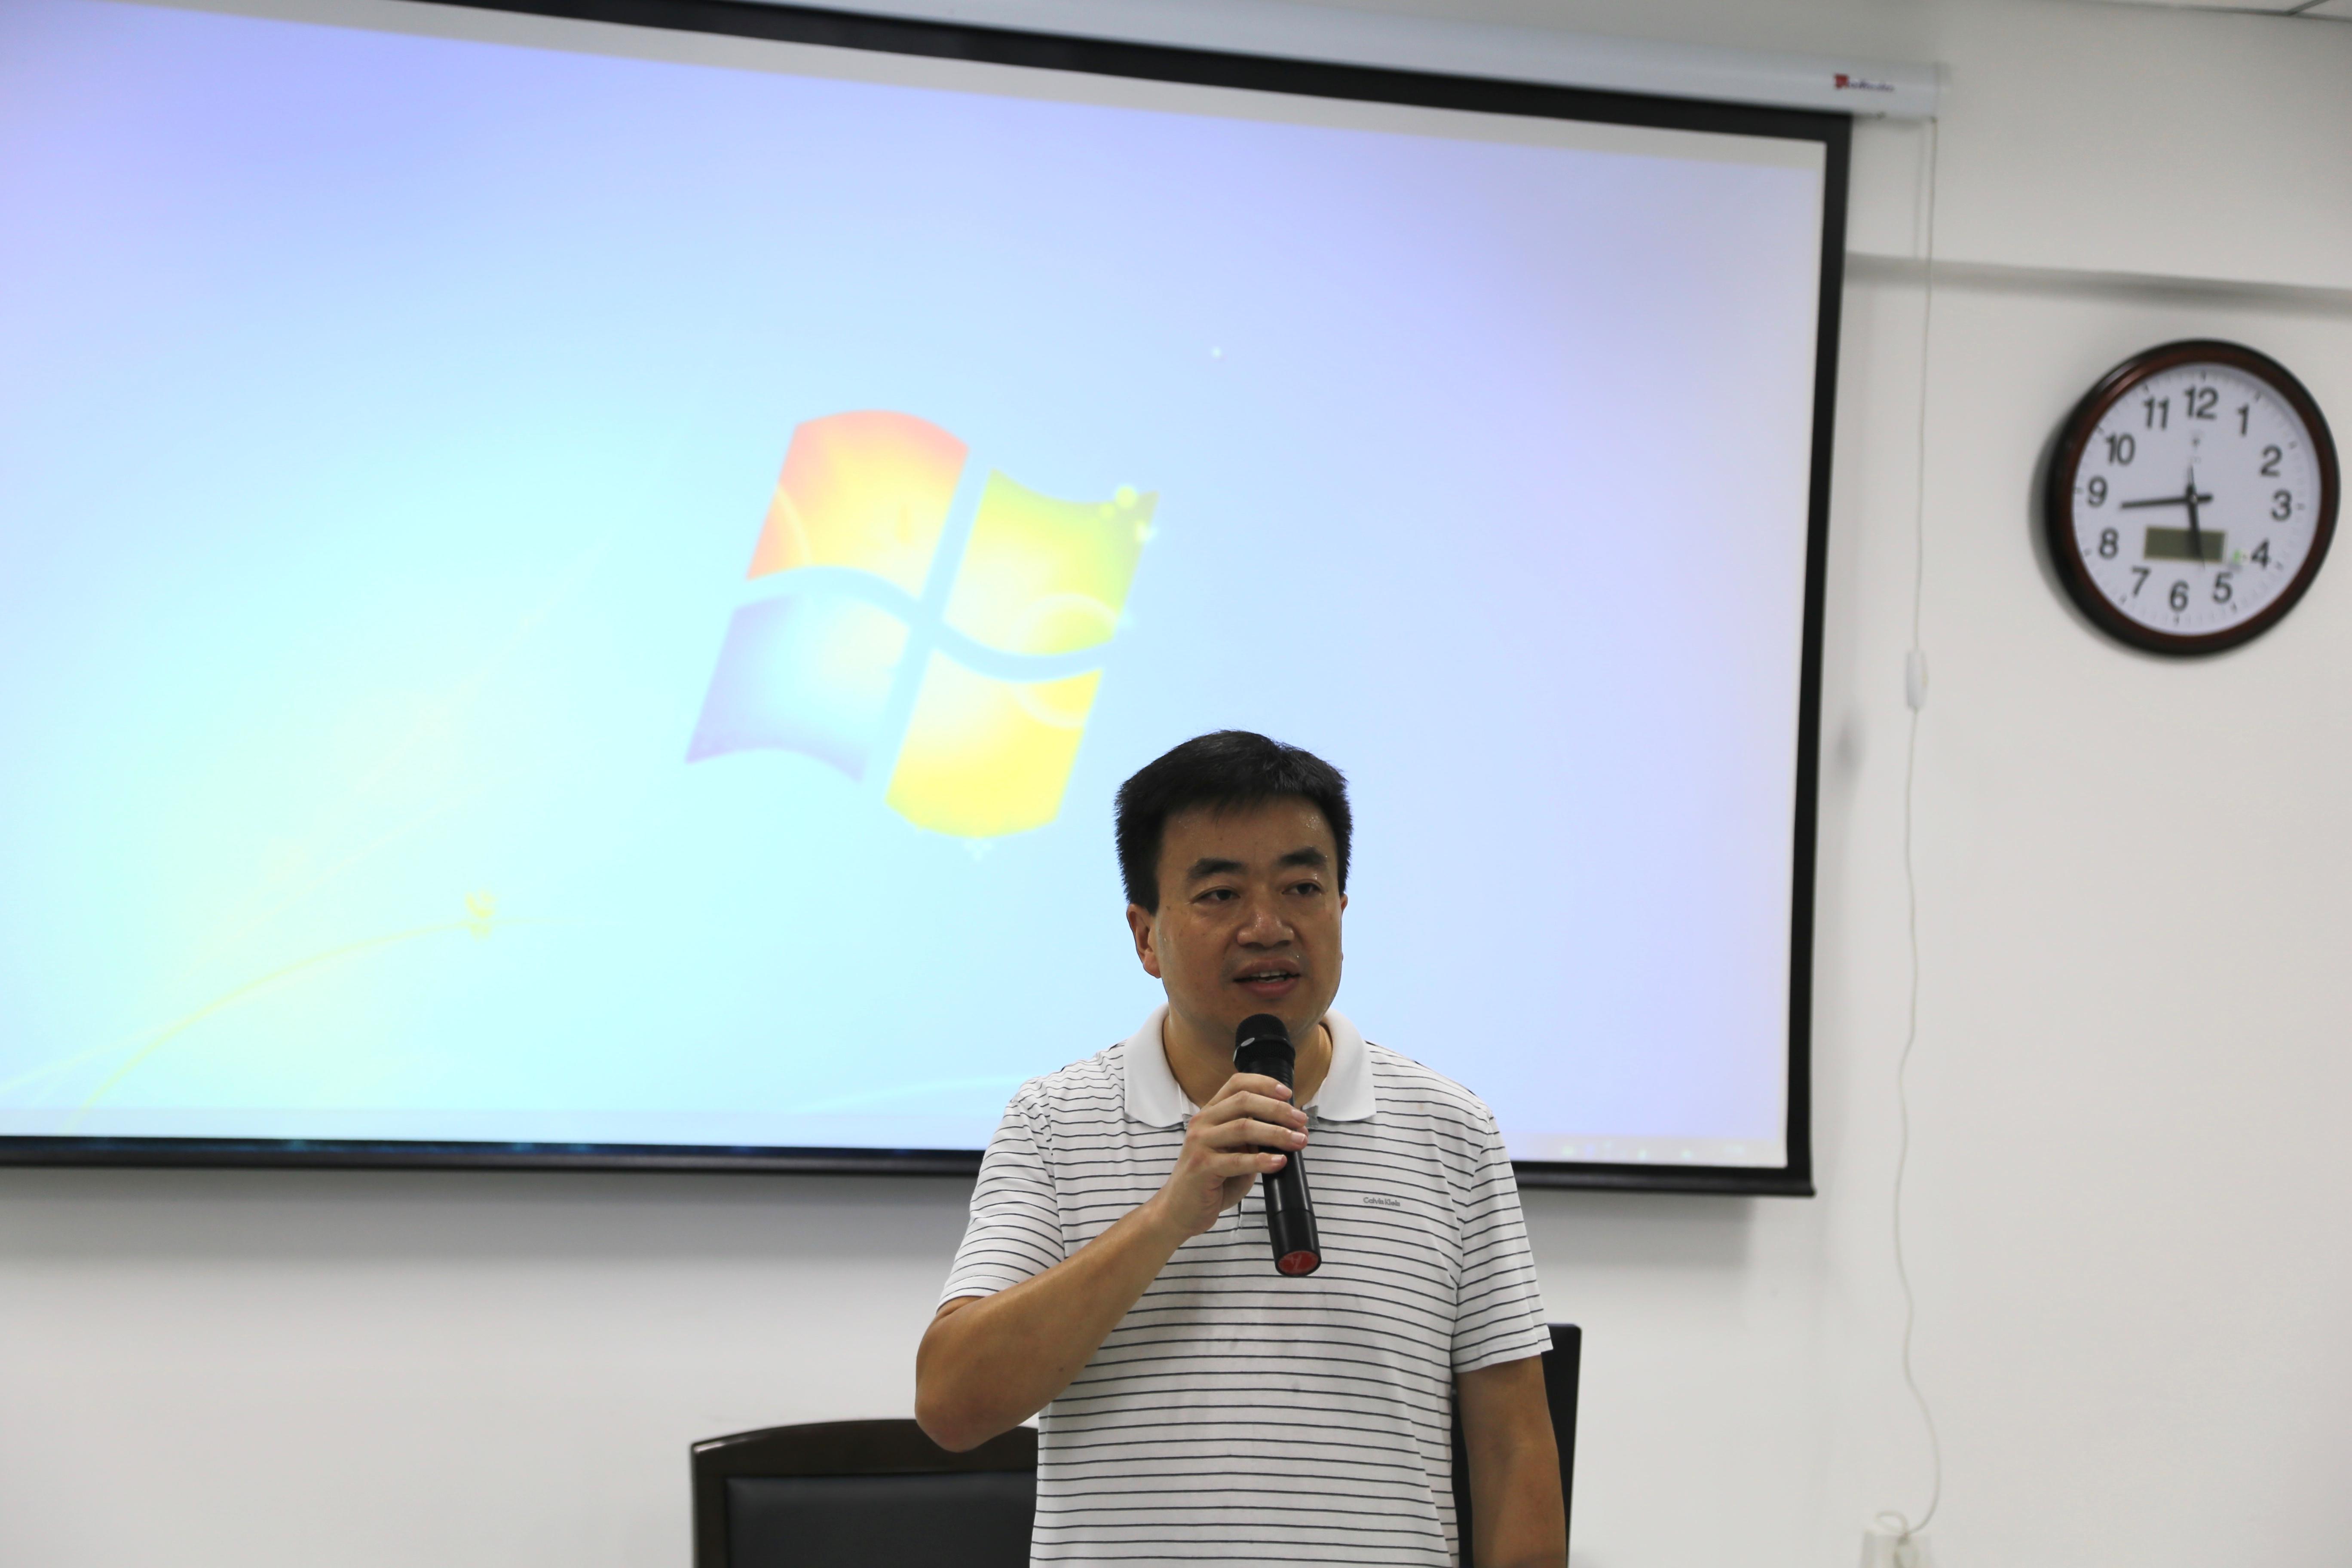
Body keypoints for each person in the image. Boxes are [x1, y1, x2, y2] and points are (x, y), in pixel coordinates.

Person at [915, 731, 1565, 1567]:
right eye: (1221, 894)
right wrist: (1165, 1218)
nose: (1267, 927)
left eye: (1302, 888)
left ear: (1341, 910)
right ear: (1146, 937)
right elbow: (953, 1405)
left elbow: (1514, 1448)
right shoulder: (1053, 1121)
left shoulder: (1451, 1128)